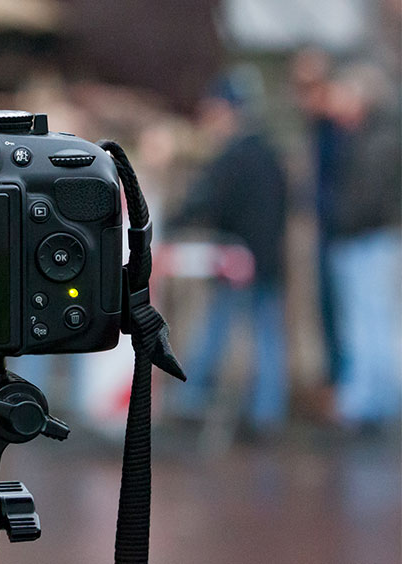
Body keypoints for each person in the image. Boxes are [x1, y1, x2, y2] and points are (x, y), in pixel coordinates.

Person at [172, 69, 289, 433]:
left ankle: (191, 405)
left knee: (216, 331)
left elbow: (207, 200)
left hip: (239, 261)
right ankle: (267, 413)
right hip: (265, 261)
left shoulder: (235, 156)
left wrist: (173, 222)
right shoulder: (268, 154)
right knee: (266, 336)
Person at [325, 63, 402, 430]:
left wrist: (346, 223)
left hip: (368, 238)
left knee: (371, 323)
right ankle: (372, 401)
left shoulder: (377, 138)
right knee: (370, 321)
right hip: (367, 237)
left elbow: (367, 196)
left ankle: (373, 403)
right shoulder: (368, 135)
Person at [291, 48, 347, 389]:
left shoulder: (339, 128)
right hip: (326, 228)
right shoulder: (315, 128)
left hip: (342, 230)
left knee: (344, 311)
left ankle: (344, 386)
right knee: (326, 311)